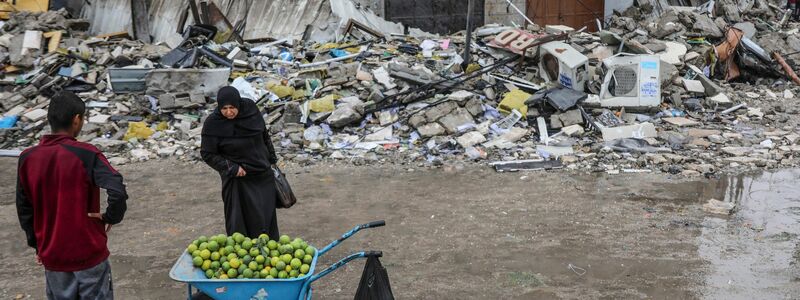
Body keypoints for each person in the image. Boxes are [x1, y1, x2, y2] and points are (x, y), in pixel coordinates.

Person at [16, 91, 128, 300]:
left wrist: (39, 246)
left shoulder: (28, 158)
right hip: (88, 253)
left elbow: (24, 210)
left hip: (54, 255)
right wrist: (110, 217)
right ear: (77, 119)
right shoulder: (86, 154)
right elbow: (117, 190)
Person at [201, 86, 280, 239]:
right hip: (237, 180)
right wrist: (231, 167)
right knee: (239, 221)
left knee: (264, 218)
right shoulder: (213, 123)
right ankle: (241, 256)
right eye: (224, 108)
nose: (229, 112)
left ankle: (267, 256)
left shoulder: (250, 110)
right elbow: (207, 153)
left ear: (238, 104)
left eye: (232, 107)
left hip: (262, 175)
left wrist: (272, 160)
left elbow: (264, 136)